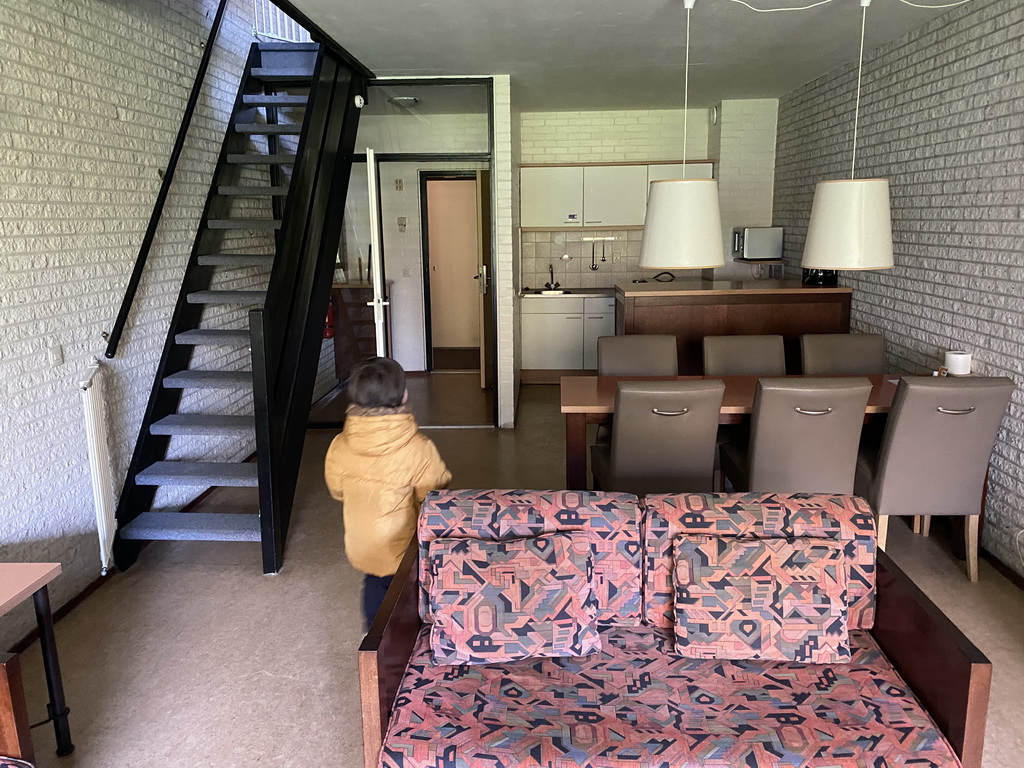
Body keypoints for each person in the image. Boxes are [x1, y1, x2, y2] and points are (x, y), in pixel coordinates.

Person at [324, 357, 451, 628]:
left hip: (361, 542)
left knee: (374, 582)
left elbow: (337, 489)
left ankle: (374, 633)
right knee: (407, 587)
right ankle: (408, 633)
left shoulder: (339, 444)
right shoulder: (418, 447)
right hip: (403, 545)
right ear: (403, 395)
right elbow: (435, 498)